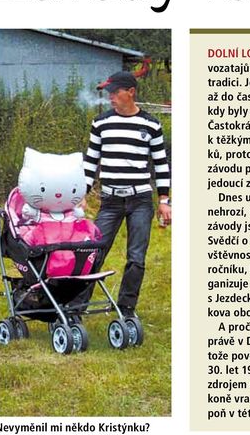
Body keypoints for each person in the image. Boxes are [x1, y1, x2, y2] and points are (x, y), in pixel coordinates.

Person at [84, 70, 170, 317]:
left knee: (136, 257)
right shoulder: (100, 124)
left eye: (114, 91)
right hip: (110, 201)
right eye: (108, 92)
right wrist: (79, 194)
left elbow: (161, 166)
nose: (110, 96)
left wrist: (164, 200)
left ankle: (126, 309)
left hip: (140, 200)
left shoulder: (151, 125)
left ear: (130, 92)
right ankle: (75, 306)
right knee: (93, 253)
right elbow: (90, 165)